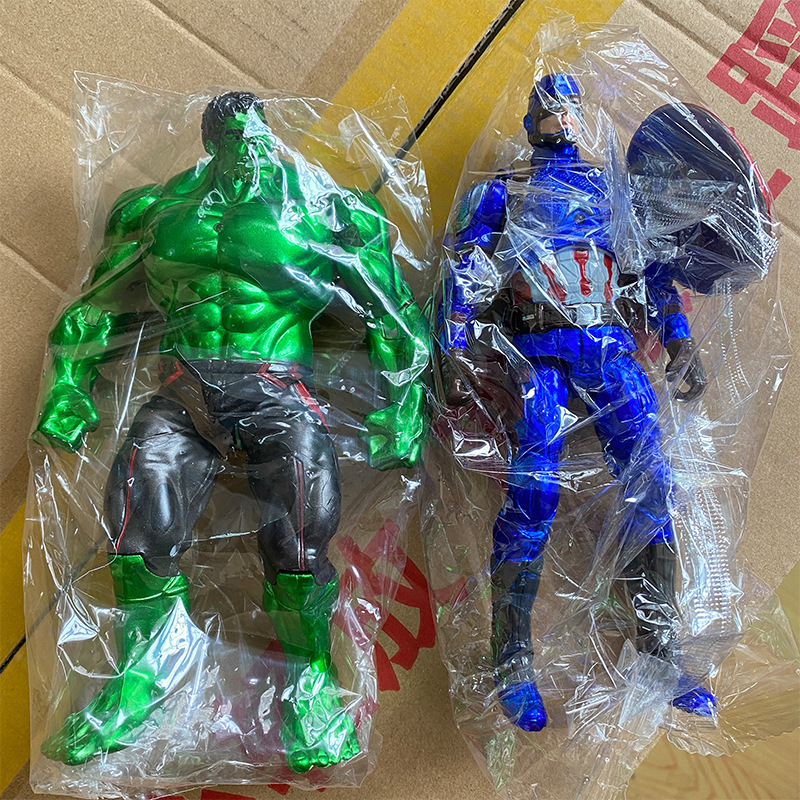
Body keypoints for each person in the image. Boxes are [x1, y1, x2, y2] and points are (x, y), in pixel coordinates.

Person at [35, 92, 429, 771]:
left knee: (300, 532)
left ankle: (309, 684)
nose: (250, 149)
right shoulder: (157, 212)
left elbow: (391, 313)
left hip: (279, 389)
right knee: (136, 518)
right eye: (235, 138)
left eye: (257, 137)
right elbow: (93, 308)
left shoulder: (324, 212)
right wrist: (70, 386)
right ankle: (145, 673)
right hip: (185, 388)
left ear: (269, 136)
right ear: (211, 141)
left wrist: (403, 404)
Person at [440, 73, 715, 733]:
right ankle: (512, 661)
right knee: (533, 496)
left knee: (652, 481)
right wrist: (454, 346)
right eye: (550, 107)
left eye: (570, 107)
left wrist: (679, 340)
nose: (562, 117)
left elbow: (650, 271)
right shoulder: (504, 191)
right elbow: (466, 269)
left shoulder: (607, 189)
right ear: (531, 118)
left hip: (609, 349)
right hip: (539, 356)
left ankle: (659, 649)